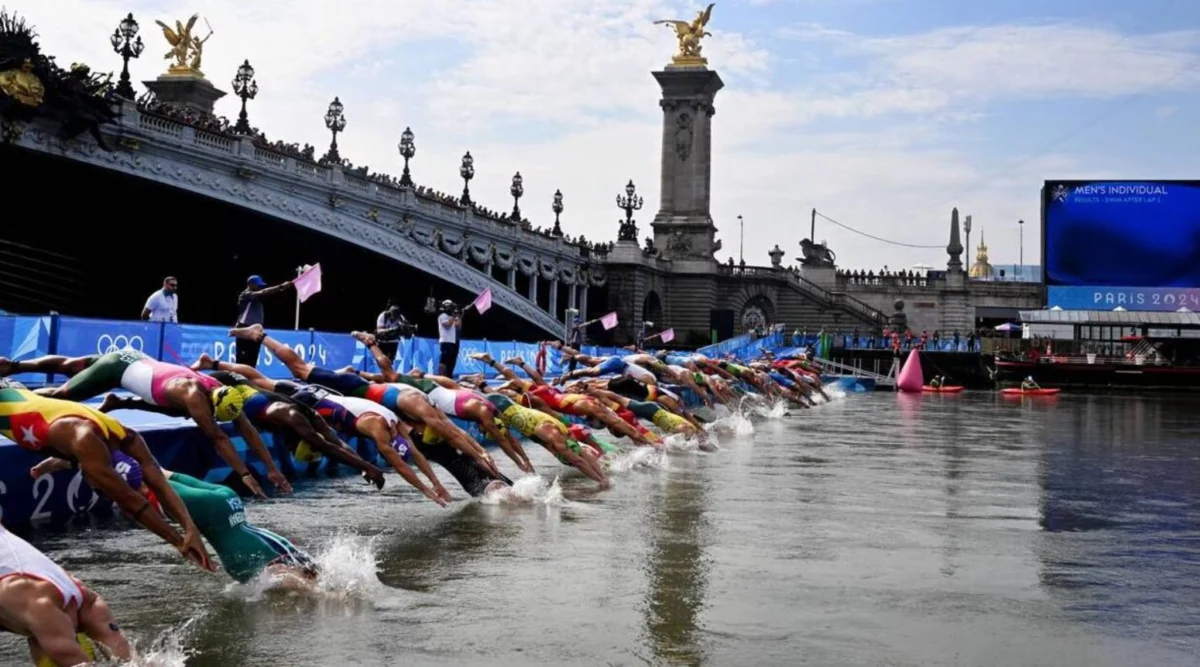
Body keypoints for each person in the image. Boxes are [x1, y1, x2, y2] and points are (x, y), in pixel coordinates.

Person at [0, 350, 291, 498]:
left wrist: (273, 469)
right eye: (214, 414)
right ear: (212, 403)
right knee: (63, 393)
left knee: (72, 364)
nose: (214, 418)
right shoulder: (193, 396)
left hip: (140, 362)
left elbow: (248, 430)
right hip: (120, 368)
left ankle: (15, 366)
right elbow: (217, 438)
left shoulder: (221, 393)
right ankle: (12, 383)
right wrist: (244, 474)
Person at [228, 324, 500, 478]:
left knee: (273, 378)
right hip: (350, 391)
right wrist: (477, 455)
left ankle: (235, 353)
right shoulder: (417, 412)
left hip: (339, 392)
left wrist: (478, 452)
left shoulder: (418, 414)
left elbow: (449, 437)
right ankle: (258, 336)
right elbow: (447, 437)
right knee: (296, 370)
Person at [0, 378, 213, 571]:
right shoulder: (87, 441)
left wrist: (190, 530)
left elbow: (159, 483)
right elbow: (130, 502)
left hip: (15, 390)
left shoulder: (124, 434)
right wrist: (179, 543)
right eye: (100, 488)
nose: (99, 489)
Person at [33, 453, 319, 591]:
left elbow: (167, 532)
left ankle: (324, 596)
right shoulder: (149, 477)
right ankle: (319, 578)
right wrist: (61, 462)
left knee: (271, 575)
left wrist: (188, 547)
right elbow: (110, 460)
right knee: (287, 562)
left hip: (216, 520)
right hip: (224, 498)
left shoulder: (135, 500)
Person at [0, 522, 132, 666]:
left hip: (34, 595)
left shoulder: (32, 601)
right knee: (131, 663)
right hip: (74, 588)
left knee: (62, 652)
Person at [235, 274, 294, 368]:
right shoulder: (245, 295)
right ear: (251, 284)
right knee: (243, 359)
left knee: (252, 358)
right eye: (258, 285)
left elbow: (266, 293)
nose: (260, 287)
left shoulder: (258, 299)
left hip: (256, 331)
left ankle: (249, 381)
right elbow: (264, 292)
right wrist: (281, 287)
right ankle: (238, 380)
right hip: (244, 328)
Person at [437, 300, 461, 377]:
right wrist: (453, 317)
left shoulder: (451, 317)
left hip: (452, 341)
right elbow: (447, 325)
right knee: (444, 360)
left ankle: (448, 376)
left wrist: (459, 316)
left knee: (451, 360)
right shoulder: (442, 315)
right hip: (445, 341)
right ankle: (440, 376)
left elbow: (458, 326)